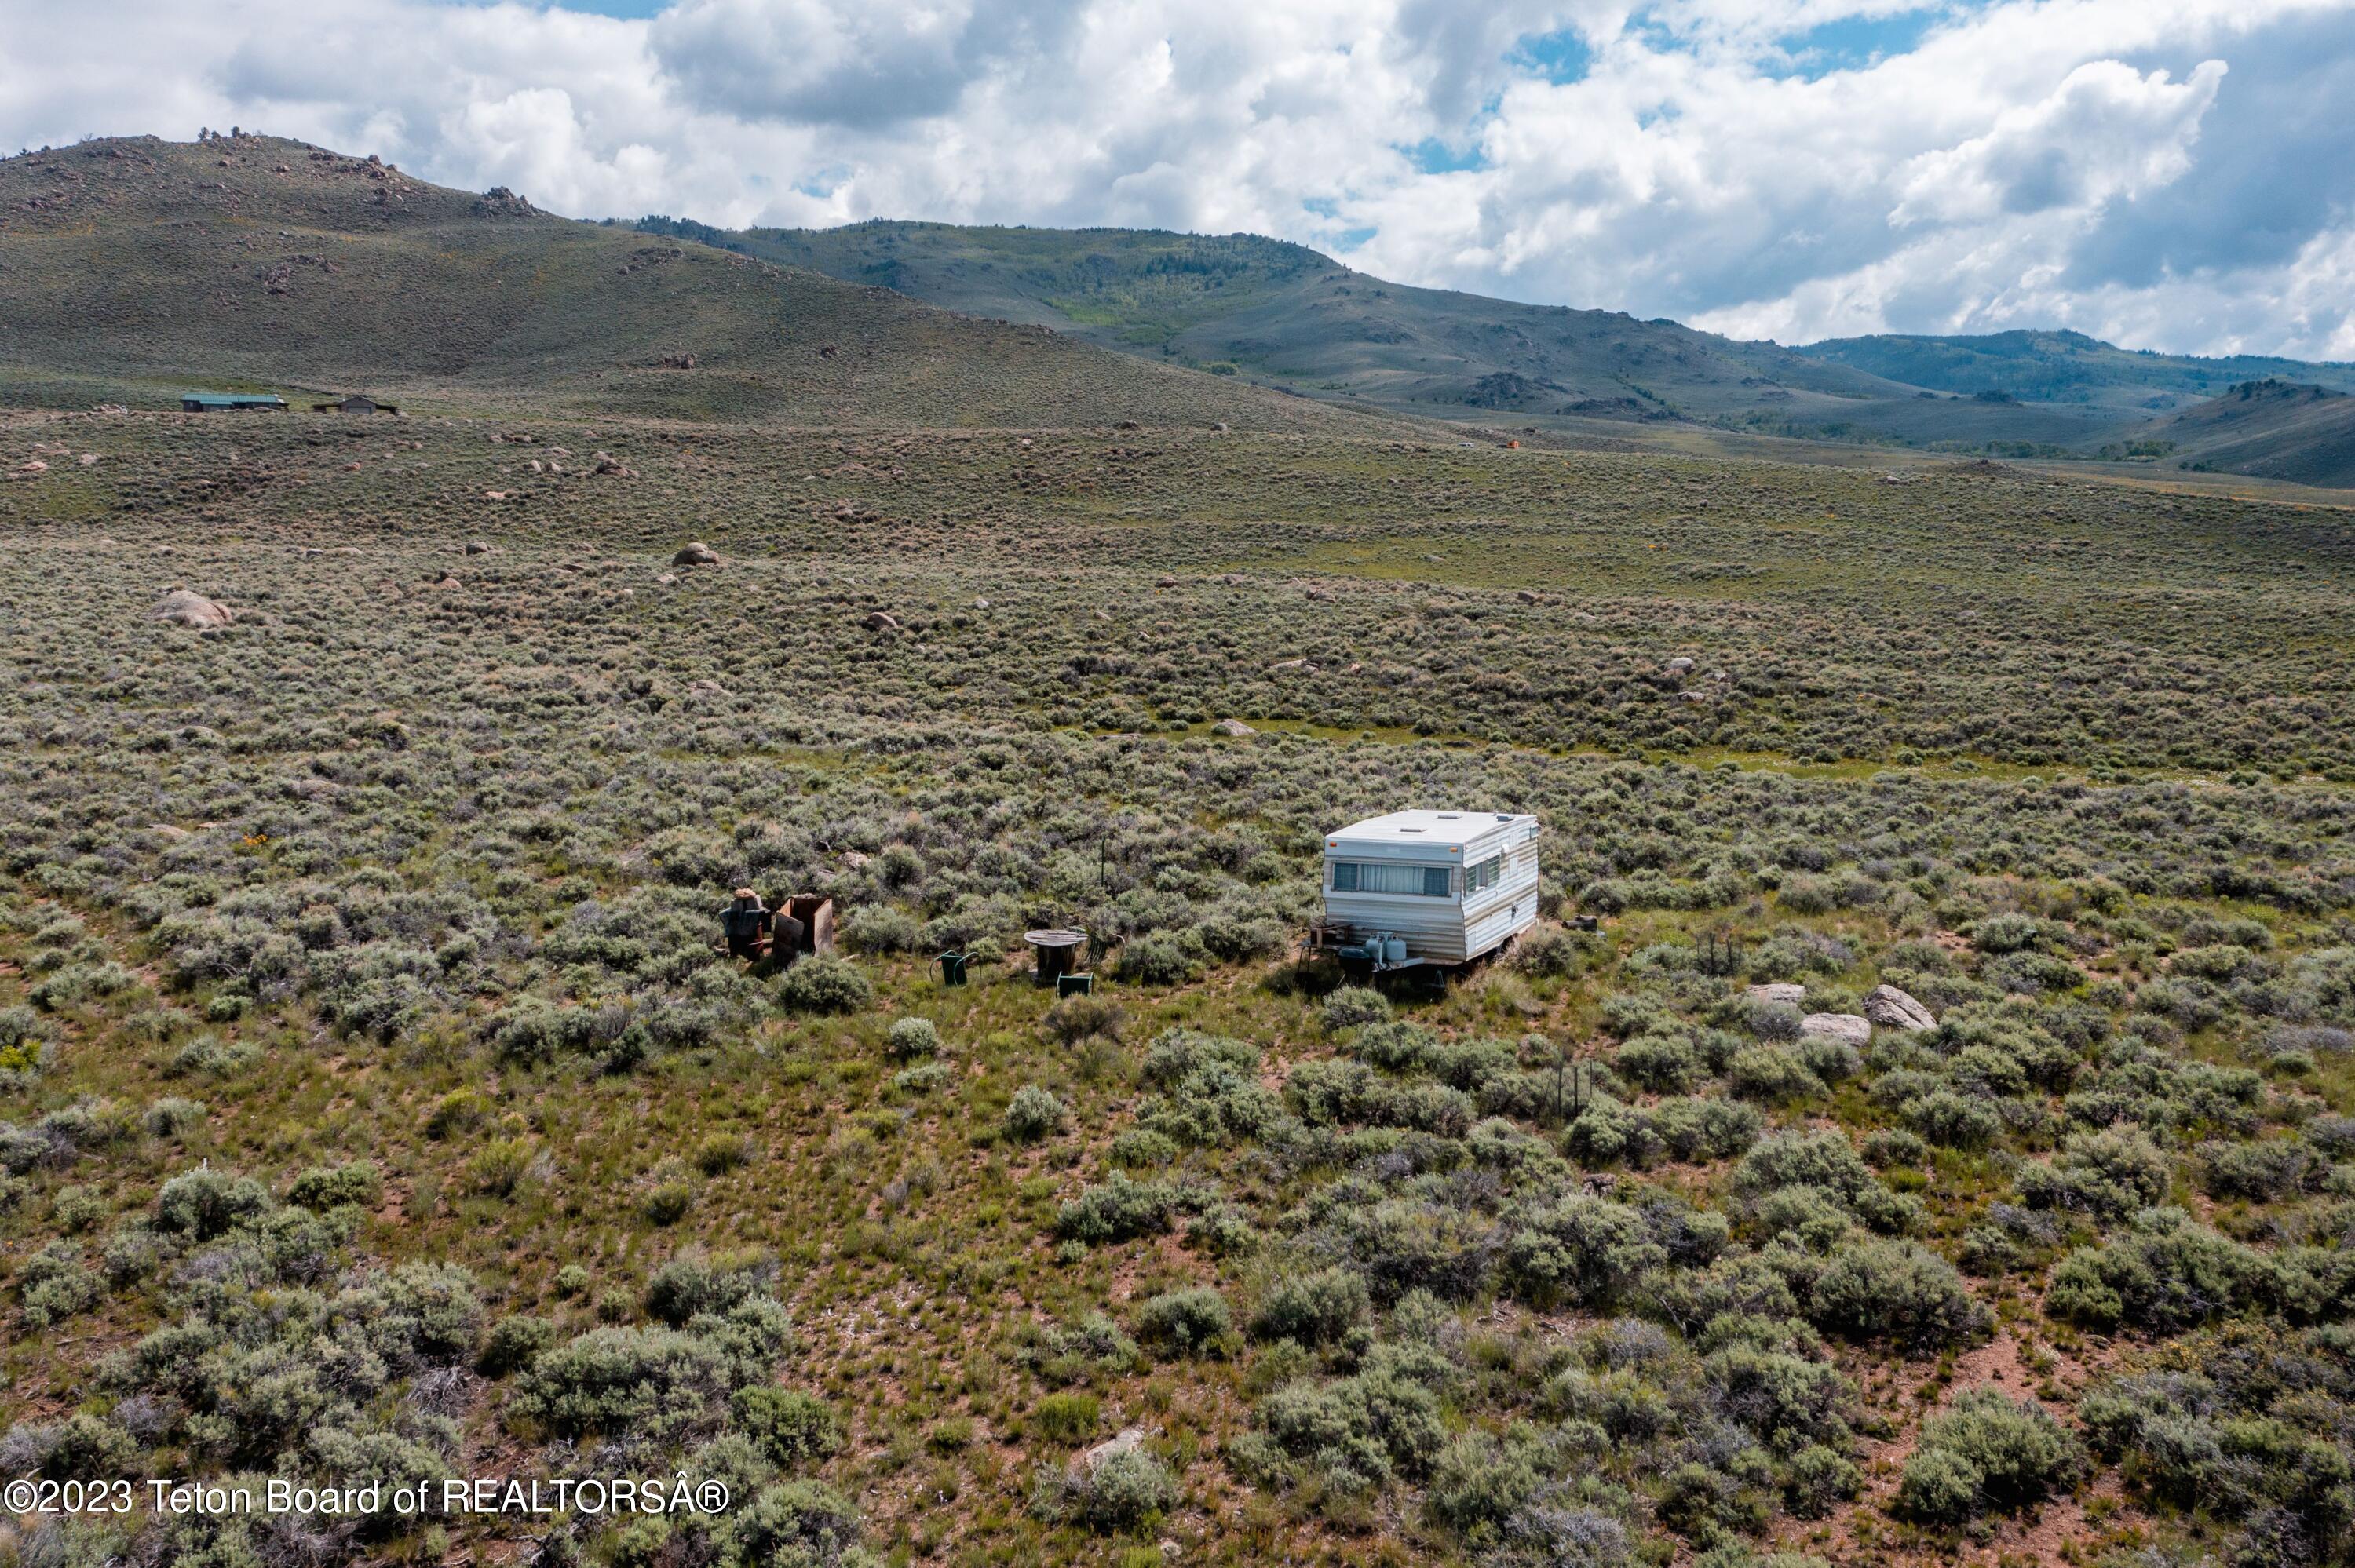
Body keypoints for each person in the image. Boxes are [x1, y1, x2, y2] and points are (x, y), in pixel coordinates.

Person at [721, 888, 769, 961]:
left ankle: (742, 953)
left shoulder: (752, 902)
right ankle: (740, 953)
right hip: (746, 944)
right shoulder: (738, 904)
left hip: (752, 946)